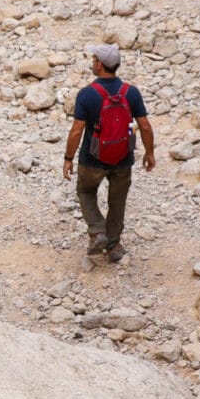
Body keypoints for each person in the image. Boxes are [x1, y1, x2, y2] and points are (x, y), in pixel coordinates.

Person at [62, 42, 155, 262]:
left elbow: (77, 131)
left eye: (94, 60)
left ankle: (97, 231)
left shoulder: (87, 94)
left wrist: (68, 158)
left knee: (86, 191)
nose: (93, 63)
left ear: (100, 65)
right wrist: (150, 153)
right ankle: (113, 246)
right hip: (123, 158)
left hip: (92, 158)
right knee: (118, 200)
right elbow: (145, 125)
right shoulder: (130, 92)